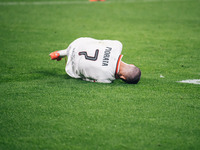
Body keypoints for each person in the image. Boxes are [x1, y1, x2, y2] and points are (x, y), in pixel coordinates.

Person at [49, 37, 141, 84]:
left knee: (97, 44)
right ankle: (64, 53)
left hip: (77, 43)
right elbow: (86, 79)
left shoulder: (117, 45)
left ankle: (62, 52)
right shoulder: (107, 79)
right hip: (72, 68)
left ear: (131, 64)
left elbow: (98, 42)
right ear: (123, 78)